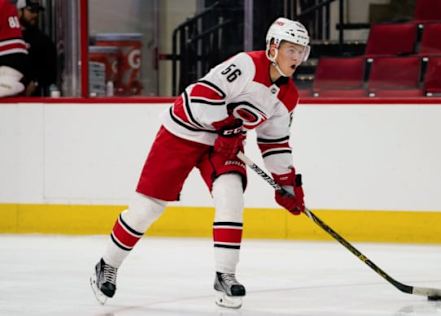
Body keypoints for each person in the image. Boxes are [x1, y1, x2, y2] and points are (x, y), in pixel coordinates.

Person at [90, 17, 310, 309]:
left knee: (230, 195)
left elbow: (275, 142)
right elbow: (201, 96)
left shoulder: (288, 96)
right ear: (273, 47)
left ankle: (225, 277)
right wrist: (226, 124)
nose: (296, 57)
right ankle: (107, 265)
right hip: (183, 131)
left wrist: (286, 182)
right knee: (146, 209)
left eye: (301, 50)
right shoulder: (246, 65)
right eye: (290, 49)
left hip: (224, 143)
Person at [17, 0, 57, 96]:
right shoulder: (9, 37)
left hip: (35, 101)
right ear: (19, 12)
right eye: (31, 11)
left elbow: (51, 72)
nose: (35, 15)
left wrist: (36, 82)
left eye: (37, 11)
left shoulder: (44, 41)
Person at [0, 0, 28, 97]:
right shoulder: (6, 3)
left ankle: (8, 85)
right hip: (16, 57)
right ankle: (9, 84)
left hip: (7, 58)